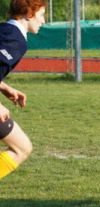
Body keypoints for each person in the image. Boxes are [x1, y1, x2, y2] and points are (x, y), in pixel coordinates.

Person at [0, 0, 46, 182]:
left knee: (22, 147)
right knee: (21, 148)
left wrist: (4, 87)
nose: (43, 21)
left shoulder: (4, 29)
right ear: (29, 14)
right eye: (41, 15)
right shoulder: (15, 39)